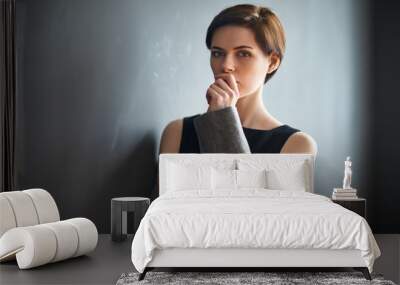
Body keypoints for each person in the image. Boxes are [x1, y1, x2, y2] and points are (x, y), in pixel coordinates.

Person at [160, 4, 317, 155]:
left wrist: (223, 120)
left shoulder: (297, 144)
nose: (226, 65)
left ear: (272, 62)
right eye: (217, 53)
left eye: (243, 54)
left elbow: (238, 182)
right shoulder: (177, 131)